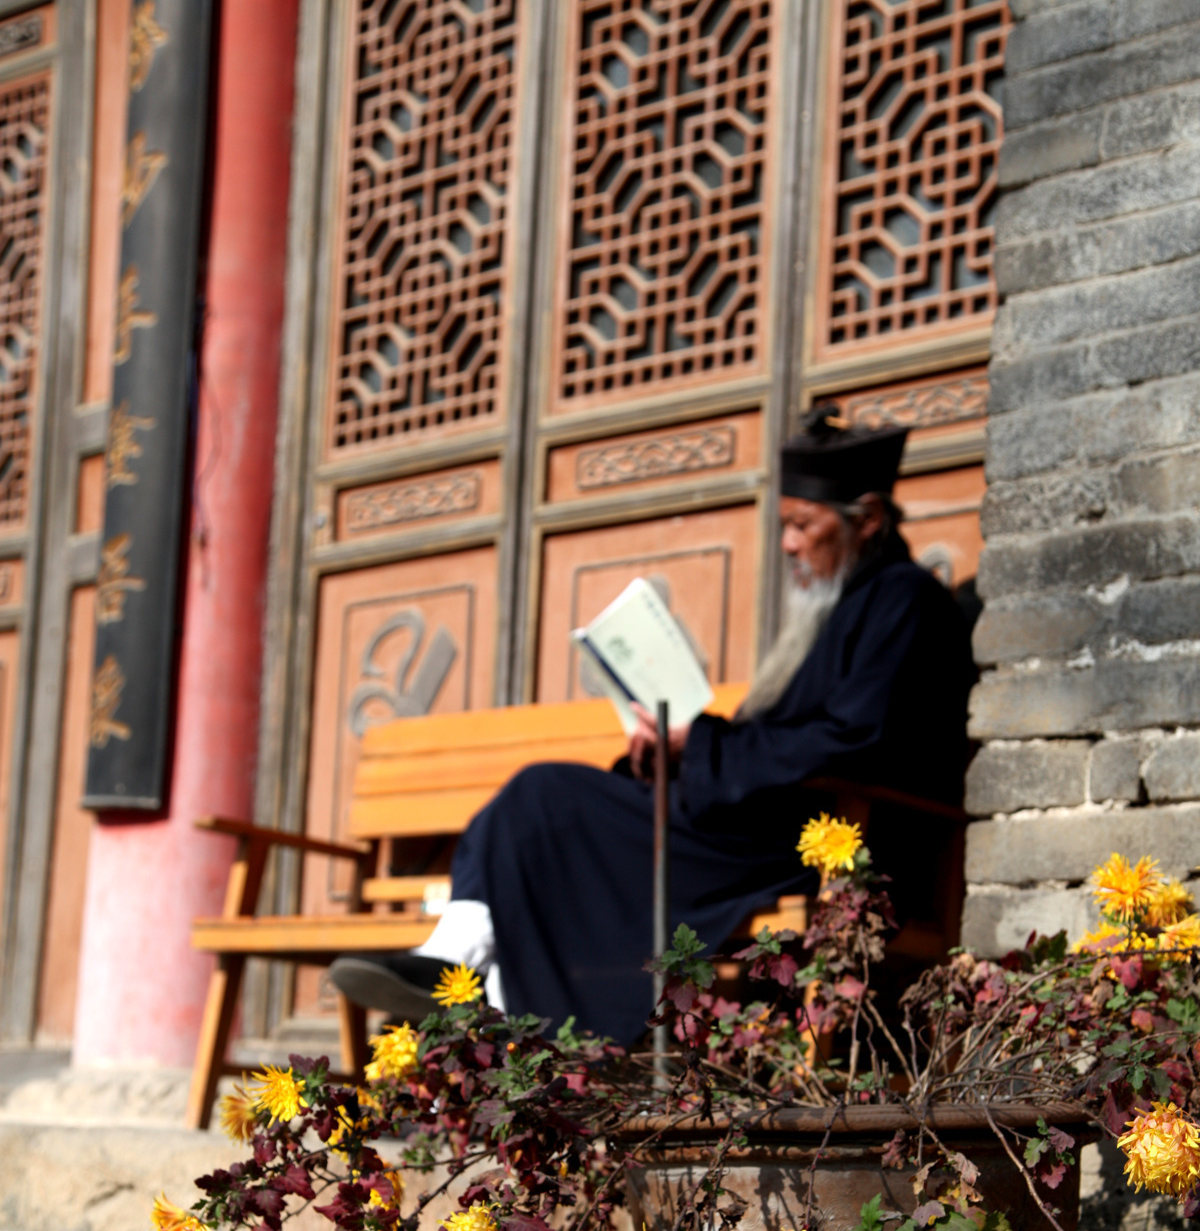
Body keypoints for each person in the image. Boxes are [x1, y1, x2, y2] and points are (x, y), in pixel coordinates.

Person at [330, 413, 975, 1046]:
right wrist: (677, 750)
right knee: (539, 805)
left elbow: (858, 743)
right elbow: (796, 735)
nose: (787, 545)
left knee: (544, 800)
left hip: (804, 844)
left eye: (803, 525)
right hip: (754, 818)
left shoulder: (904, 602)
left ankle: (486, 996)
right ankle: (465, 970)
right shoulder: (846, 603)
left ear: (865, 520)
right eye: (785, 527)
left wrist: (698, 745)